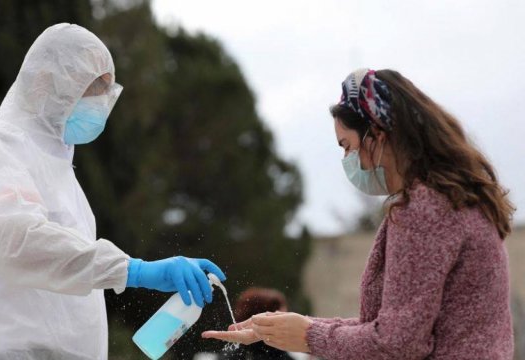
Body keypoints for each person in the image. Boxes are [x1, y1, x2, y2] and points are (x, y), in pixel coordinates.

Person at [0, 23, 225, 360]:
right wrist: (134, 270)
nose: (102, 102)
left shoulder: (61, 175)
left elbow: (70, 279)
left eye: (107, 90)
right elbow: (21, 243)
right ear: (47, 82)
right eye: (92, 88)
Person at [203, 68, 515, 359]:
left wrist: (308, 336)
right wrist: (288, 328)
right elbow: (396, 328)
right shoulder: (455, 199)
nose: (348, 160)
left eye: (347, 146)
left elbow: (397, 344)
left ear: (377, 135)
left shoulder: (425, 209)